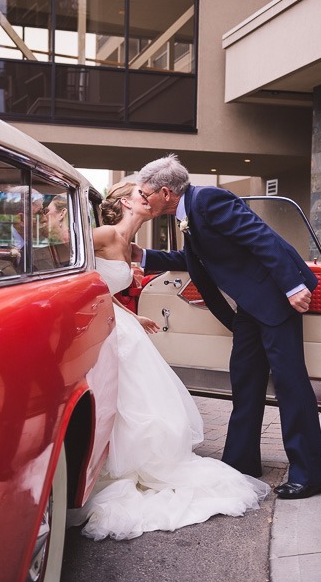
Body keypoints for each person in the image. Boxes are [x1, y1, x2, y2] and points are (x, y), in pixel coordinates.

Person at [68, 180, 269, 541]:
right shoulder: (103, 233)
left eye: (147, 195)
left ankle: (133, 465)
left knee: (137, 402)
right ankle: (107, 467)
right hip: (106, 330)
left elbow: (98, 283)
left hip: (121, 326)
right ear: (125, 203)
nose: (147, 199)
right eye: (139, 195)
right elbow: (71, 271)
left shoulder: (128, 245)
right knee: (122, 402)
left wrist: (131, 316)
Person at [133, 154, 321, 500]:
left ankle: (312, 473)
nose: (141, 199)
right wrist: (144, 257)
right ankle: (241, 464)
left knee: (290, 385)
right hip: (250, 308)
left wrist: (293, 286)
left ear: (165, 192)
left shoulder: (209, 199)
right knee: (245, 380)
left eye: (144, 194)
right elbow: (195, 259)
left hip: (275, 298)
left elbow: (260, 236)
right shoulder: (189, 212)